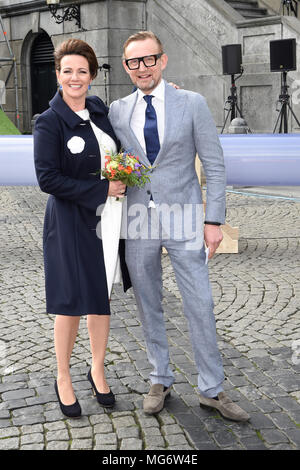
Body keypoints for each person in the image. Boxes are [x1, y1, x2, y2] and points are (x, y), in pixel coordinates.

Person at [108, 31, 250, 421]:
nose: (143, 67)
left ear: (163, 60)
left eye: (149, 59)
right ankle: (160, 377)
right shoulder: (118, 110)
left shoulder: (192, 103)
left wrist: (213, 219)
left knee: (200, 303)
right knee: (148, 301)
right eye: (134, 62)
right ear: (126, 67)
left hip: (186, 215)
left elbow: (215, 163)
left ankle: (212, 388)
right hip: (138, 218)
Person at [34, 38, 130, 418]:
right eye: (67, 71)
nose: (75, 78)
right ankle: (62, 377)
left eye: (82, 71)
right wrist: (102, 188)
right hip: (72, 221)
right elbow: (47, 179)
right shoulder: (49, 121)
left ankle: (97, 368)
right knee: (71, 302)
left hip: (109, 219)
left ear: (92, 76)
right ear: (58, 75)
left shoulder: (98, 109)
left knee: (100, 296)